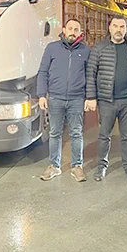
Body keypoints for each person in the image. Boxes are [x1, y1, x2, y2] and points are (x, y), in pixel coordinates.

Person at [85, 17, 127, 182]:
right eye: (115, 26)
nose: (119, 30)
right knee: (104, 135)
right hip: (107, 101)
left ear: (126, 29)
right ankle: (101, 166)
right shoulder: (100, 48)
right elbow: (91, 73)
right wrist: (91, 97)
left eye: (122, 27)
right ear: (110, 28)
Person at [38, 18, 91, 182]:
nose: (72, 32)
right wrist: (42, 94)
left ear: (80, 32)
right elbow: (43, 71)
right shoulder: (52, 48)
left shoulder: (85, 51)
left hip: (77, 99)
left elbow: (90, 76)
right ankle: (54, 166)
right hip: (55, 98)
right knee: (55, 133)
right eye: (70, 28)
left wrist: (89, 97)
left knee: (76, 133)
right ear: (64, 30)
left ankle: (77, 166)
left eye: (76, 29)